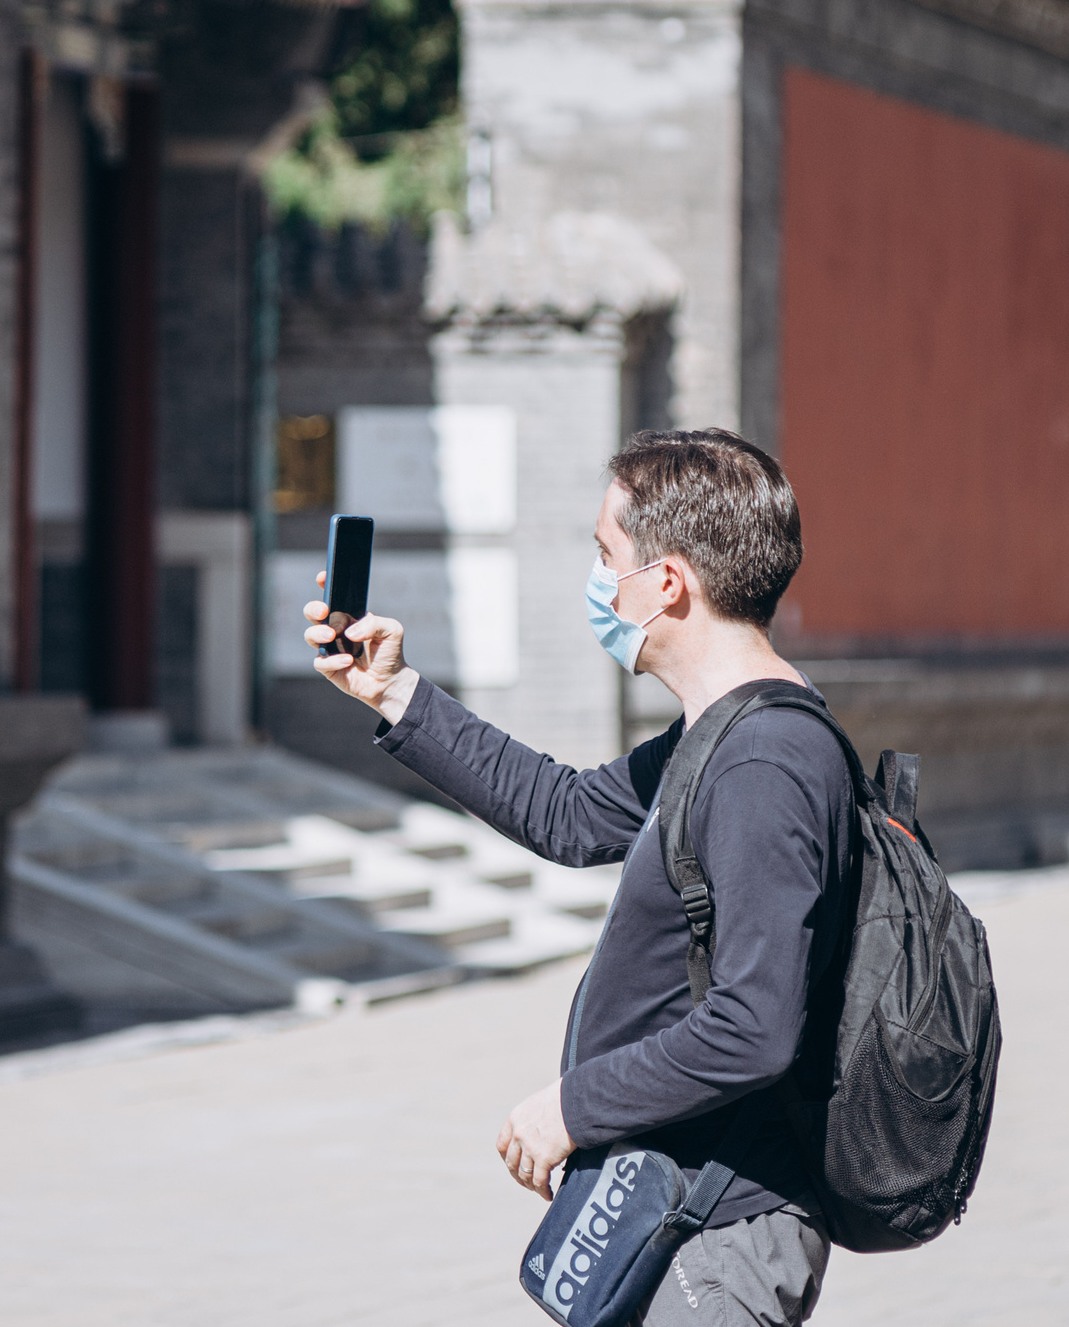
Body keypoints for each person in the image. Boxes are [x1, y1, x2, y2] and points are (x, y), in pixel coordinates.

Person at [304, 427, 855, 1327]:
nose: (598, 581)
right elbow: (565, 812)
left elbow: (754, 1026)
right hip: (673, 1203)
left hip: (718, 1231)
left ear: (667, 582)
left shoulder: (764, 761)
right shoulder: (718, 733)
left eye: (606, 555)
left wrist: (572, 1106)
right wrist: (395, 691)